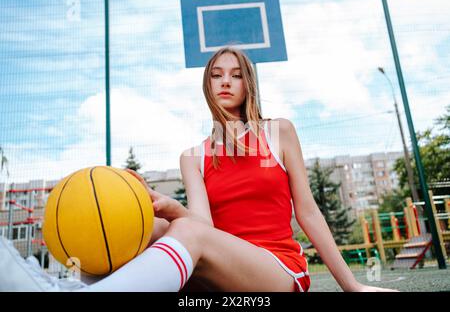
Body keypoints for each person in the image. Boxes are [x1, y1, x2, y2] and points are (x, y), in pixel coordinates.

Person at [0, 47, 397, 292]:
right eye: (216, 74)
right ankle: (65, 284)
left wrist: (353, 287)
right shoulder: (193, 156)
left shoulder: (280, 134)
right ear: (207, 85)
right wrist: (153, 205)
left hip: (277, 271)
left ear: (248, 85)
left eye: (236, 74)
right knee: (138, 224)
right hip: (219, 268)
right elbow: (203, 227)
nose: (226, 81)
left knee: (180, 228)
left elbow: (308, 212)